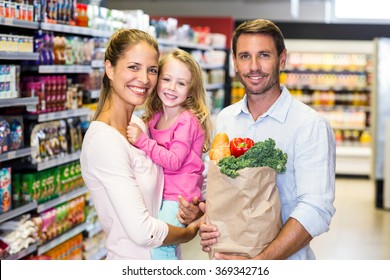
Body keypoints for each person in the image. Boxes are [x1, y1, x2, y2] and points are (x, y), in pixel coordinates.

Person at [195, 19, 336, 260]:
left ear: (282, 59)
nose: (253, 67)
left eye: (263, 55)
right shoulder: (227, 118)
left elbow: (316, 209)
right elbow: (217, 186)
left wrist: (260, 264)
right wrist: (201, 215)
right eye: (244, 56)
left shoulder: (310, 125)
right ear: (235, 62)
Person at [80, 29, 202, 260]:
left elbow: (174, 173)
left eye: (152, 70)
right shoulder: (104, 141)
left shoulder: (140, 126)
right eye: (133, 67)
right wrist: (189, 232)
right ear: (109, 68)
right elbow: (142, 232)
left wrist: (192, 206)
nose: (145, 79)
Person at [126, 49, 212, 260]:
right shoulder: (155, 117)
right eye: (166, 79)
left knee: (161, 246)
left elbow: (173, 161)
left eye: (181, 83)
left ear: (191, 90)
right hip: (162, 193)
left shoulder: (186, 121)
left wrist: (142, 141)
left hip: (179, 197)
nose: (172, 88)